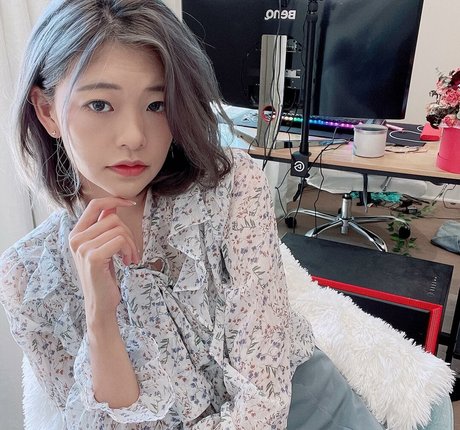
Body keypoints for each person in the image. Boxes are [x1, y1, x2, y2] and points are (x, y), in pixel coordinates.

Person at [0, 1, 388, 428]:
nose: (134, 137)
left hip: (305, 412)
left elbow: (265, 401)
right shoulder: (27, 277)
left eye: (157, 105)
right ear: (46, 110)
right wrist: (100, 318)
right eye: (99, 105)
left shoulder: (231, 186)